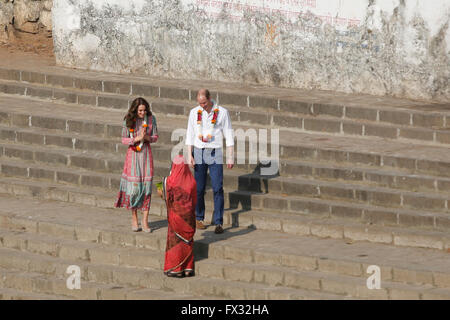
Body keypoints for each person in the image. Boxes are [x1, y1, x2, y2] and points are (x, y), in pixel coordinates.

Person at [185, 89, 234, 234]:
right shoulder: (194, 112)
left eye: (205, 103)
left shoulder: (222, 112)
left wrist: (230, 156)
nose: (203, 106)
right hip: (199, 150)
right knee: (199, 188)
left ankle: (219, 221)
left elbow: (229, 134)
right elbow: (190, 133)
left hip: (215, 151)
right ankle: (199, 217)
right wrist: (189, 154)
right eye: (200, 103)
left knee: (217, 187)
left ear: (210, 98)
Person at [115, 97, 158, 232]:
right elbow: (123, 139)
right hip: (133, 156)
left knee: (146, 189)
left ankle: (145, 221)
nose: (142, 113)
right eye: (140, 110)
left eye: (144, 110)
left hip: (145, 155)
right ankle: (134, 219)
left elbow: (155, 137)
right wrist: (136, 139)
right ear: (135, 110)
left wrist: (146, 138)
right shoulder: (128, 120)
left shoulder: (151, 119)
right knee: (133, 190)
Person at [159, 155, 197, 277]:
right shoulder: (192, 182)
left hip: (176, 218)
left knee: (175, 242)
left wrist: (163, 181)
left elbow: (160, 191)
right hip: (189, 219)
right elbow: (195, 200)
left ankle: (176, 269)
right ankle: (188, 268)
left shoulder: (169, 181)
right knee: (187, 242)